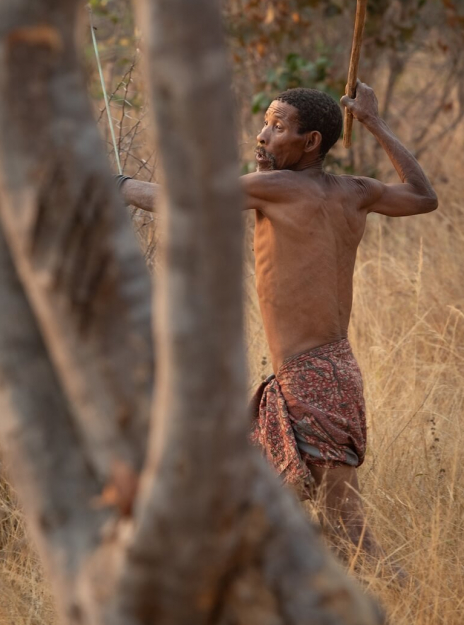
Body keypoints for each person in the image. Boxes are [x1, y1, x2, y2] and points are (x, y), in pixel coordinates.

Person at [117, 80, 437, 568]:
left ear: (311, 142)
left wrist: (115, 184)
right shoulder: (355, 192)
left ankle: (408, 605)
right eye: (265, 123)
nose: (263, 135)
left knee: (346, 531)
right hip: (327, 374)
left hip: (312, 379)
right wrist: (374, 122)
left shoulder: (279, 187)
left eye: (277, 126)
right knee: (257, 519)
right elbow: (421, 194)